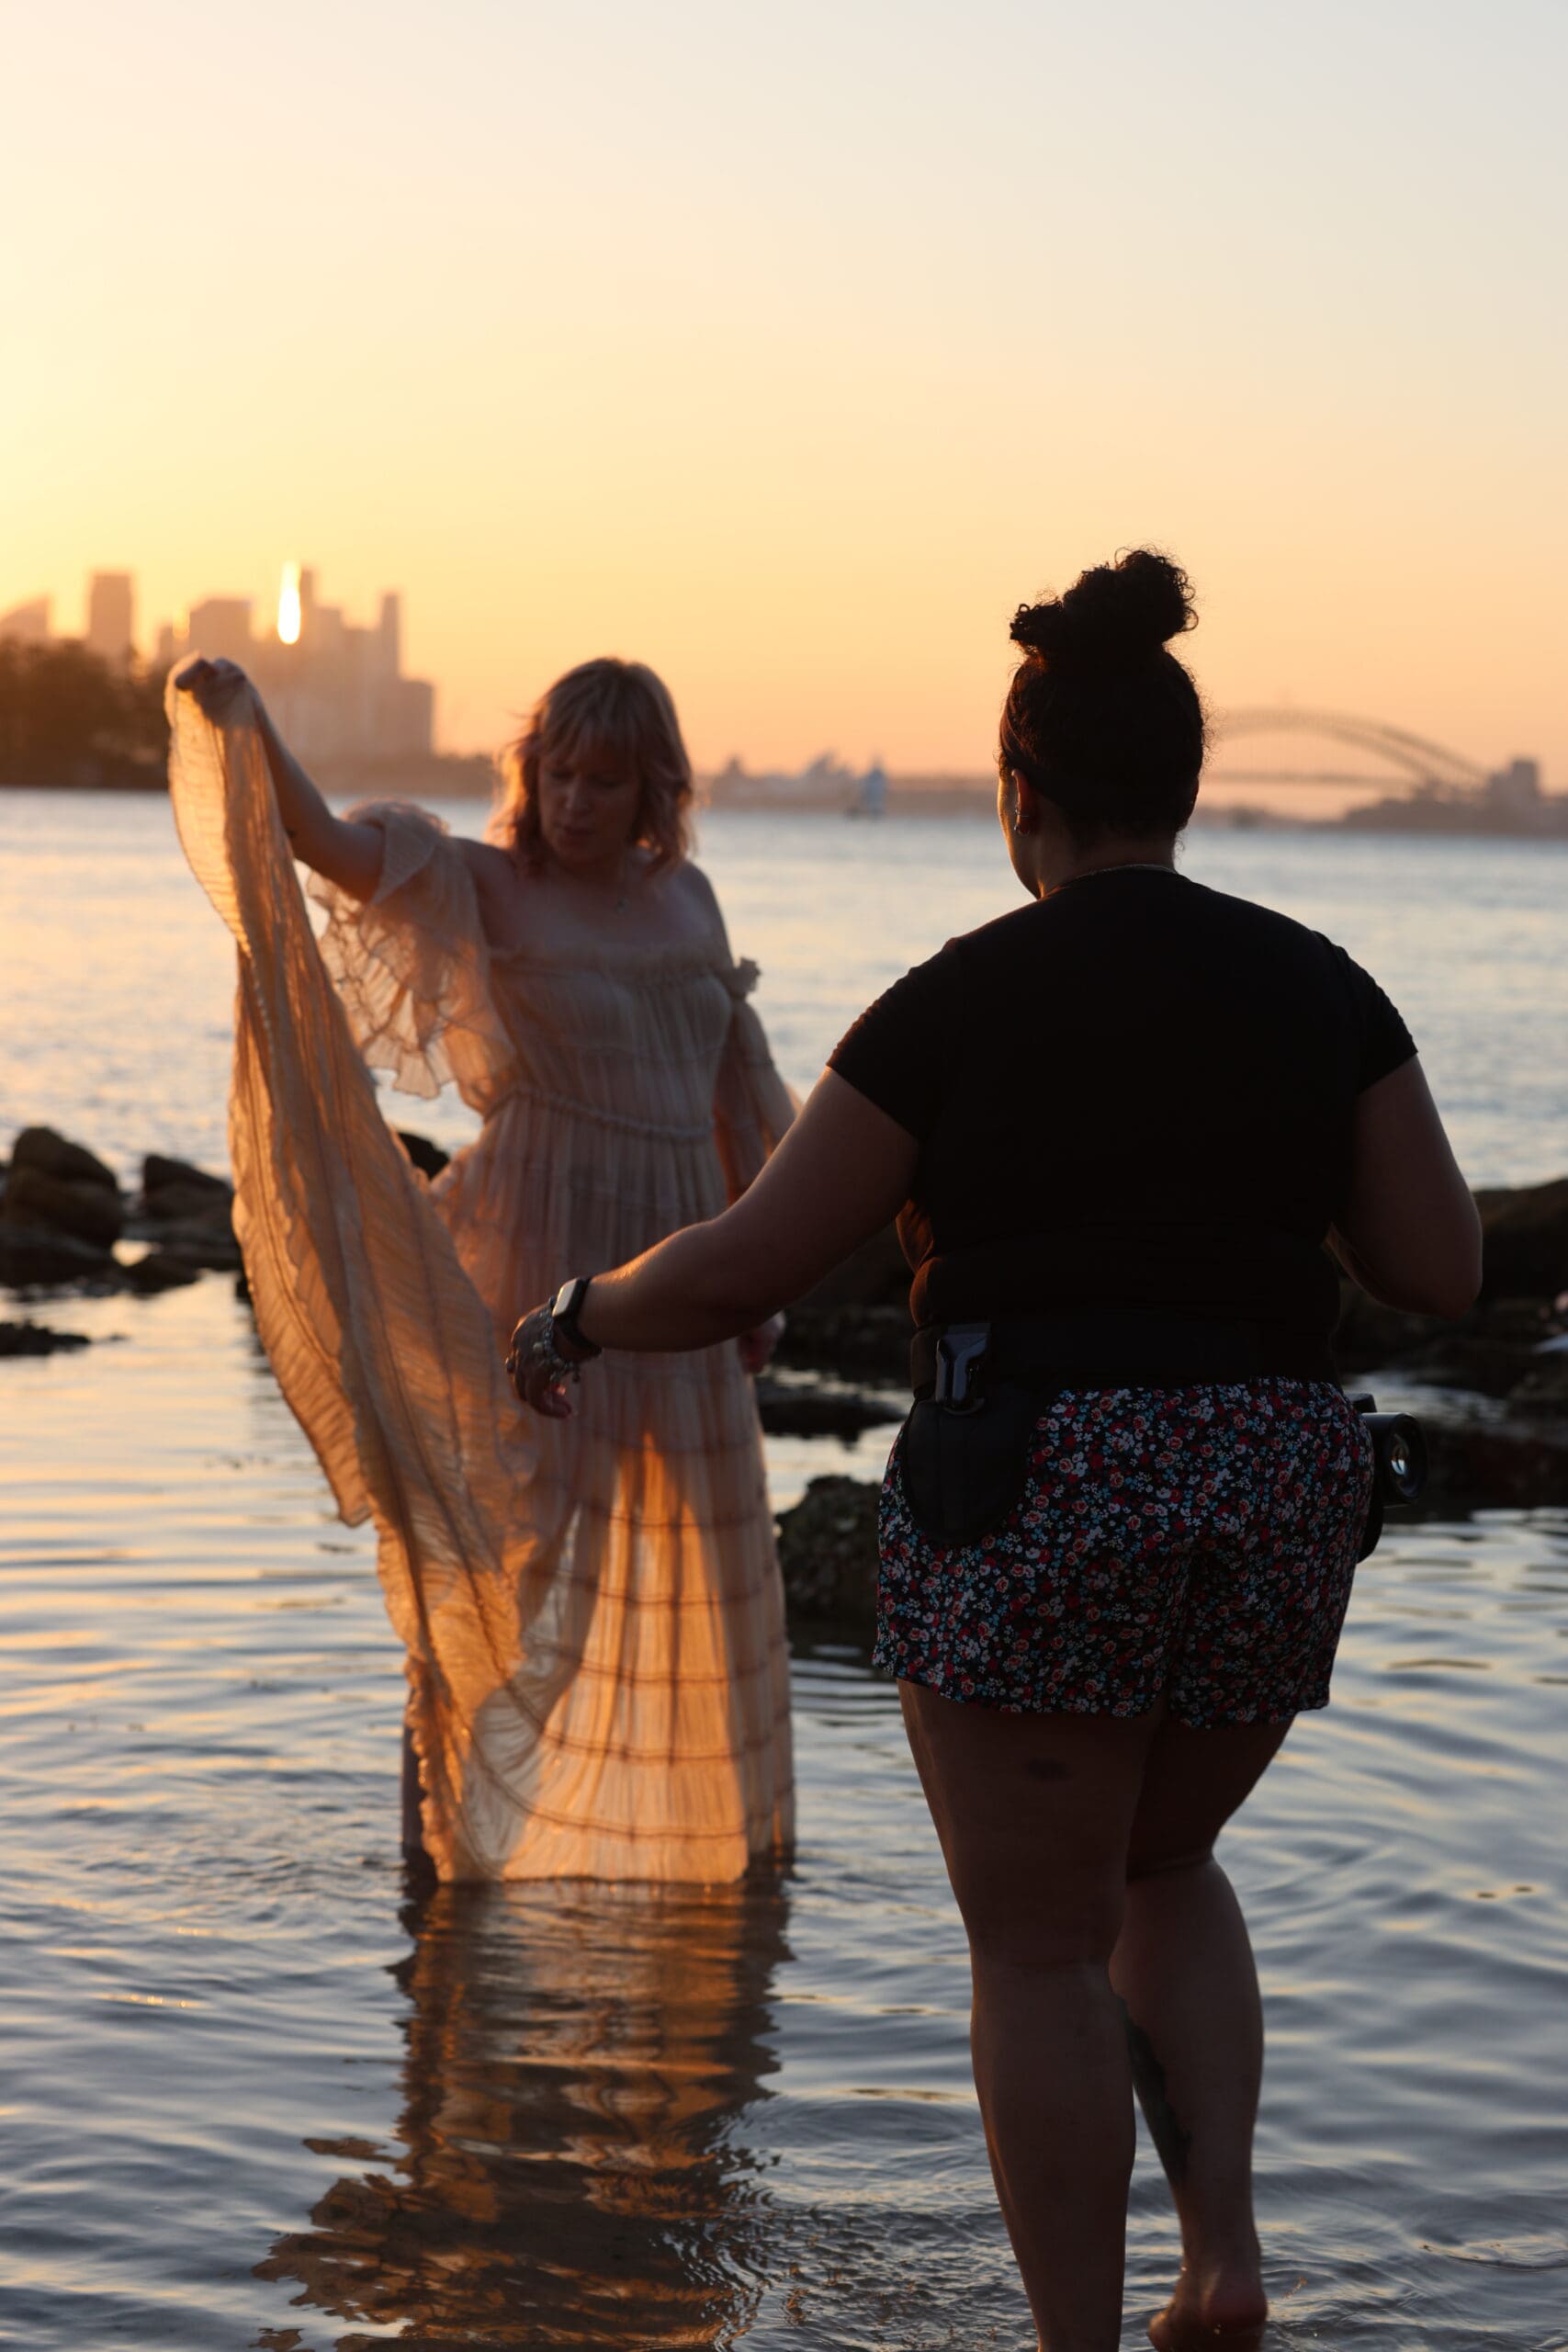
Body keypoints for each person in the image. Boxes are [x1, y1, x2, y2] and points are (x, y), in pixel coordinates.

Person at [505, 552, 1482, 2351]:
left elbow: (748, 1257)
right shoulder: (1318, 986)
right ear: (1179, 788)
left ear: (1015, 793)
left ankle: (1074, 2345)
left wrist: (571, 1310)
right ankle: (1221, 2257)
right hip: (1272, 1487)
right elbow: (1435, 1265)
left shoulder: (953, 1002)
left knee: (1034, 1941)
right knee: (1161, 1866)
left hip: (1038, 1480)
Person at [169, 653, 795, 1883]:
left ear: (654, 789)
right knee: (495, 1572)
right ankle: (441, 1872)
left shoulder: (694, 903)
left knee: (702, 1578)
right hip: (533, 1271)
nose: (574, 801)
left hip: (672, 1281)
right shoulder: (483, 884)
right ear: (531, 771)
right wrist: (245, 715)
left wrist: (755, 1275)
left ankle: (716, 1878)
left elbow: (734, 1094)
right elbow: (322, 841)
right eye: (558, 771)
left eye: (604, 780)